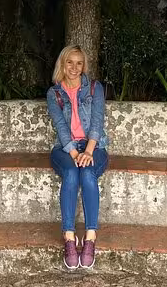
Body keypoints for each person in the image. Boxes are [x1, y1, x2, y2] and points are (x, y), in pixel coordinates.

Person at [47, 45, 109, 270]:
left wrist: (88, 152)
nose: (74, 68)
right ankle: (70, 239)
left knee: (88, 173)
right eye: (69, 62)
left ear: (84, 66)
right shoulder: (54, 93)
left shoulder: (94, 88)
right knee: (72, 173)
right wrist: (75, 153)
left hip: (95, 146)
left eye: (79, 63)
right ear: (62, 64)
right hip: (65, 148)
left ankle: (90, 238)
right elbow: (61, 126)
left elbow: (97, 121)